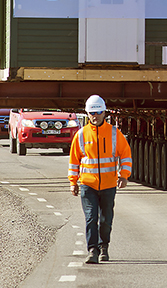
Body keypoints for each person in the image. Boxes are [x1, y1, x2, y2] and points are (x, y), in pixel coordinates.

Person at [69, 95, 132, 265]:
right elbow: (74, 160)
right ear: (87, 113)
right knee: (91, 218)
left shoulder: (114, 133)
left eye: (98, 112)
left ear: (104, 113)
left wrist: (124, 176)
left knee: (105, 220)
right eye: (91, 113)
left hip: (108, 185)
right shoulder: (81, 135)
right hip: (87, 185)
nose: (95, 116)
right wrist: (73, 182)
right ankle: (92, 251)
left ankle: (104, 247)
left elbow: (125, 155)